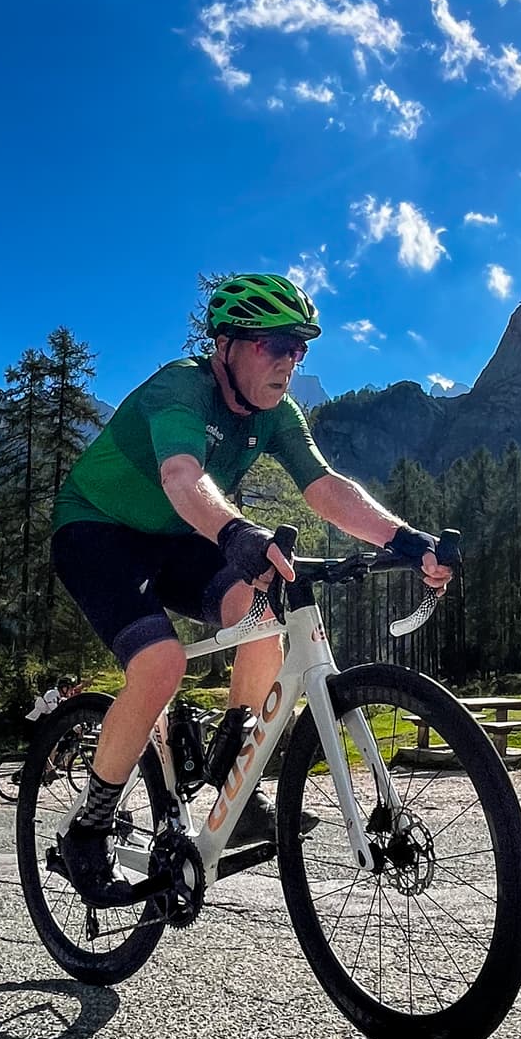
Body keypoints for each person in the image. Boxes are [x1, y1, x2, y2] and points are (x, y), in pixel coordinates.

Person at [49, 271, 452, 897]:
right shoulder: (181, 389)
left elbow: (325, 488)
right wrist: (236, 531)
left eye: (301, 348)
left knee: (263, 615)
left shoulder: (278, 414)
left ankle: (231, 768)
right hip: (96, 530)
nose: (290, 360)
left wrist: (405, 539)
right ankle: (88, 829)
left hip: (179, 535)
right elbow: (183, 476)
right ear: (227, 345)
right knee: (160, 665)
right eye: (276, 344)